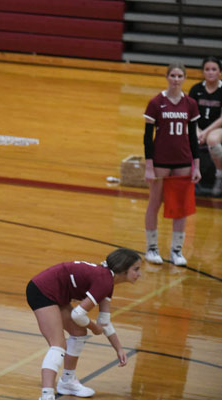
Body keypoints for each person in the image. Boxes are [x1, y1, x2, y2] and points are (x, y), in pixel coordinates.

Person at [26, 248, 142, 400]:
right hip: (42, 291)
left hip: (57, 293)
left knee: (79, 333)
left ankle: (67, 382)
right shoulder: (104, 281)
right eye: (136, 269)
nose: (139, 274)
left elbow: (104, 322)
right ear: (123, 269)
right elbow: (78, 314)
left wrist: (119, 349)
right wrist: (94, 328)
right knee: (58, 345)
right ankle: (46, 396)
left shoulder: (108, 281)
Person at [143, 63, 201, 266]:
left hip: (183, 161)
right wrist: (149, 166)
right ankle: (151, 248)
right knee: (155, 203)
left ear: (184, 78)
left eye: (180, 76)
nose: (176, 79)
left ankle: (176, 251)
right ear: (167, 77)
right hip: (160, 161)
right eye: (173, 75)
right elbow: (147, 138)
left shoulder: (190, 103)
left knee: (180, 207)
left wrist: (196, 166)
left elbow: (193, 138)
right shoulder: (156, 102)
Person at [188, 56, 222, 197]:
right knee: (182, 134)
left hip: (217, 128)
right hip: (199, 127)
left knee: (212, 140)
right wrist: (196, 131)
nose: (210, 72)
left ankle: (219, 175)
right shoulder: (196, 89)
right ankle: (184, 173)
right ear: (202, 71)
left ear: (219, 71)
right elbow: (190, 115)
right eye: (207, 69)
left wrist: (206, 132)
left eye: (214, 69)